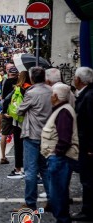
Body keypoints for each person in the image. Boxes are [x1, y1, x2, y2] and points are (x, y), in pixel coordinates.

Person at [41, 83, 79, 223]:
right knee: (58, 191)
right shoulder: (62, 109)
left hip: (60, 158)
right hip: (58, 158)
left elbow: (64, 138)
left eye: (51, 94)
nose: (50, 97)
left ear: (55, 96)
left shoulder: (63, 112)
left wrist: (57, 153)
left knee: (58, 193)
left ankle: (62, 219)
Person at [16, 67, 52, 211]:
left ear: (31, 78)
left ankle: (30, 203)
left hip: (32, 134)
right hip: (47, 134)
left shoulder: (31, 93)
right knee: (45, 169)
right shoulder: (51, 91)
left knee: (30, 171)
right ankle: (52, 199)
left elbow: (20, 110)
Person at [72, 67, 93, 221]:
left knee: (88, 178)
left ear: (79, 80)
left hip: (88, 145)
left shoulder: (89, 95)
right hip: (86, 143)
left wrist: (91, 146)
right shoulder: (86, 94)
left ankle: (88, 210)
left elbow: (92, 122)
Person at [3, 71, 31, 179]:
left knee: (18, 145)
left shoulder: (18, 88)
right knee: (28, 145)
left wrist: (7, 112)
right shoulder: (30, 89)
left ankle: (18, 168)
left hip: (17, 120)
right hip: (28, 120)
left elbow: (6, 100)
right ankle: (26, 168)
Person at [0, 66, 19, 165]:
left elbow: (3, 98)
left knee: (4, 134)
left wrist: (3, 111)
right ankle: (19, 157)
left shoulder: (6, 82)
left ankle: (3, 156)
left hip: (7, 112)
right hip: (17, 112)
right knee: (18, 135)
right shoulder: (20, 83)